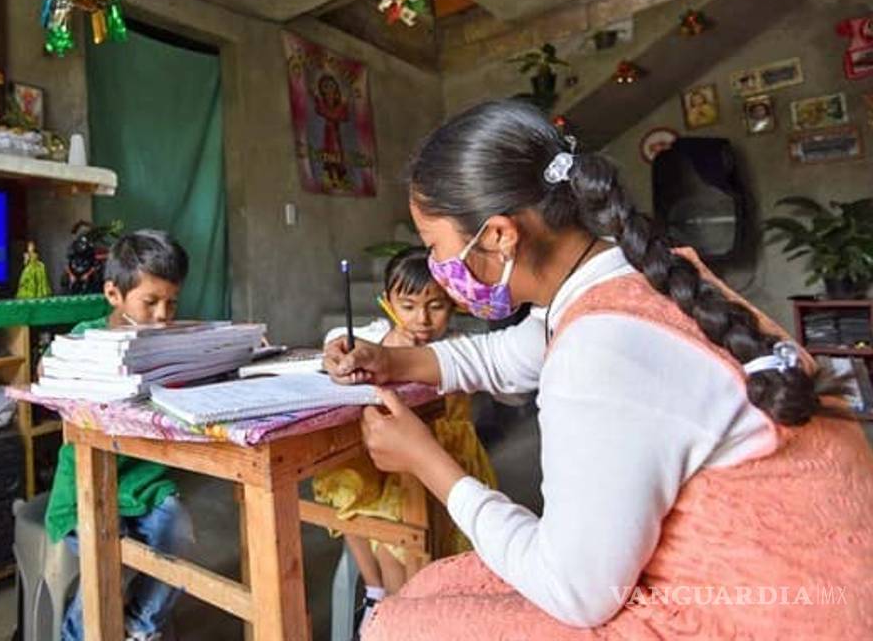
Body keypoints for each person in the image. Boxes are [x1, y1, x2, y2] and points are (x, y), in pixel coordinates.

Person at [325, 100, 873, 639]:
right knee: (425, 590)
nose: (440, 272)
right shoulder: (638, 278)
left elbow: (576, 592)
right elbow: (504, 356)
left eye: (435, 247)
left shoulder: (603, 349)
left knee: (396, 624)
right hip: (818, 580)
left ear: (497, 234)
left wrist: (429, 463)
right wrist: (388, 359)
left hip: (772, 613)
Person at [313, 247, 497, 634]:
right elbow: (335, 337)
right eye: (408, 305)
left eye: (437, 306)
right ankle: (377, 592)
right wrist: (339, 350)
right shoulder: (380, 338)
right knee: (341, 481)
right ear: (387, 303)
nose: (422, 320)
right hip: (395, 460)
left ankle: (401, 612)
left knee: (398, 534)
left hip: (446, 461)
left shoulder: (459, 347)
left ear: (455, 306)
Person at [45, 230, 194, 641]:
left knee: (177, 530)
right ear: (113, 293)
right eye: (150, 302)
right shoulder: (86, 336)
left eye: (172, 302)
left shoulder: (167, 340)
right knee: (115, 551)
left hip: (145, 483)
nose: (163, 314)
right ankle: (78, 635)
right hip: (86, 487)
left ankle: (139, 627)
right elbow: (48, 370)